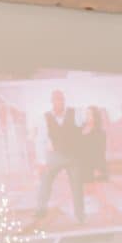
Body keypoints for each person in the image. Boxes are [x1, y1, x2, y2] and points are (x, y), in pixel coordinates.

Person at [34, 90, 86, 223]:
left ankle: (80, 216)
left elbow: (84, 129)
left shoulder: (75, 113)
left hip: (74, 156)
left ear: (64, 100)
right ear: (52, 102)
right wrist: (41, 161)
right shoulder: (45, 117)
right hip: (56, 155)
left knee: (77, 186)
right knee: (45, 179)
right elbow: (41, 139)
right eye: (56, 100)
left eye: (61, 99)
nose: (59, 102)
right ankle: (41, 209)